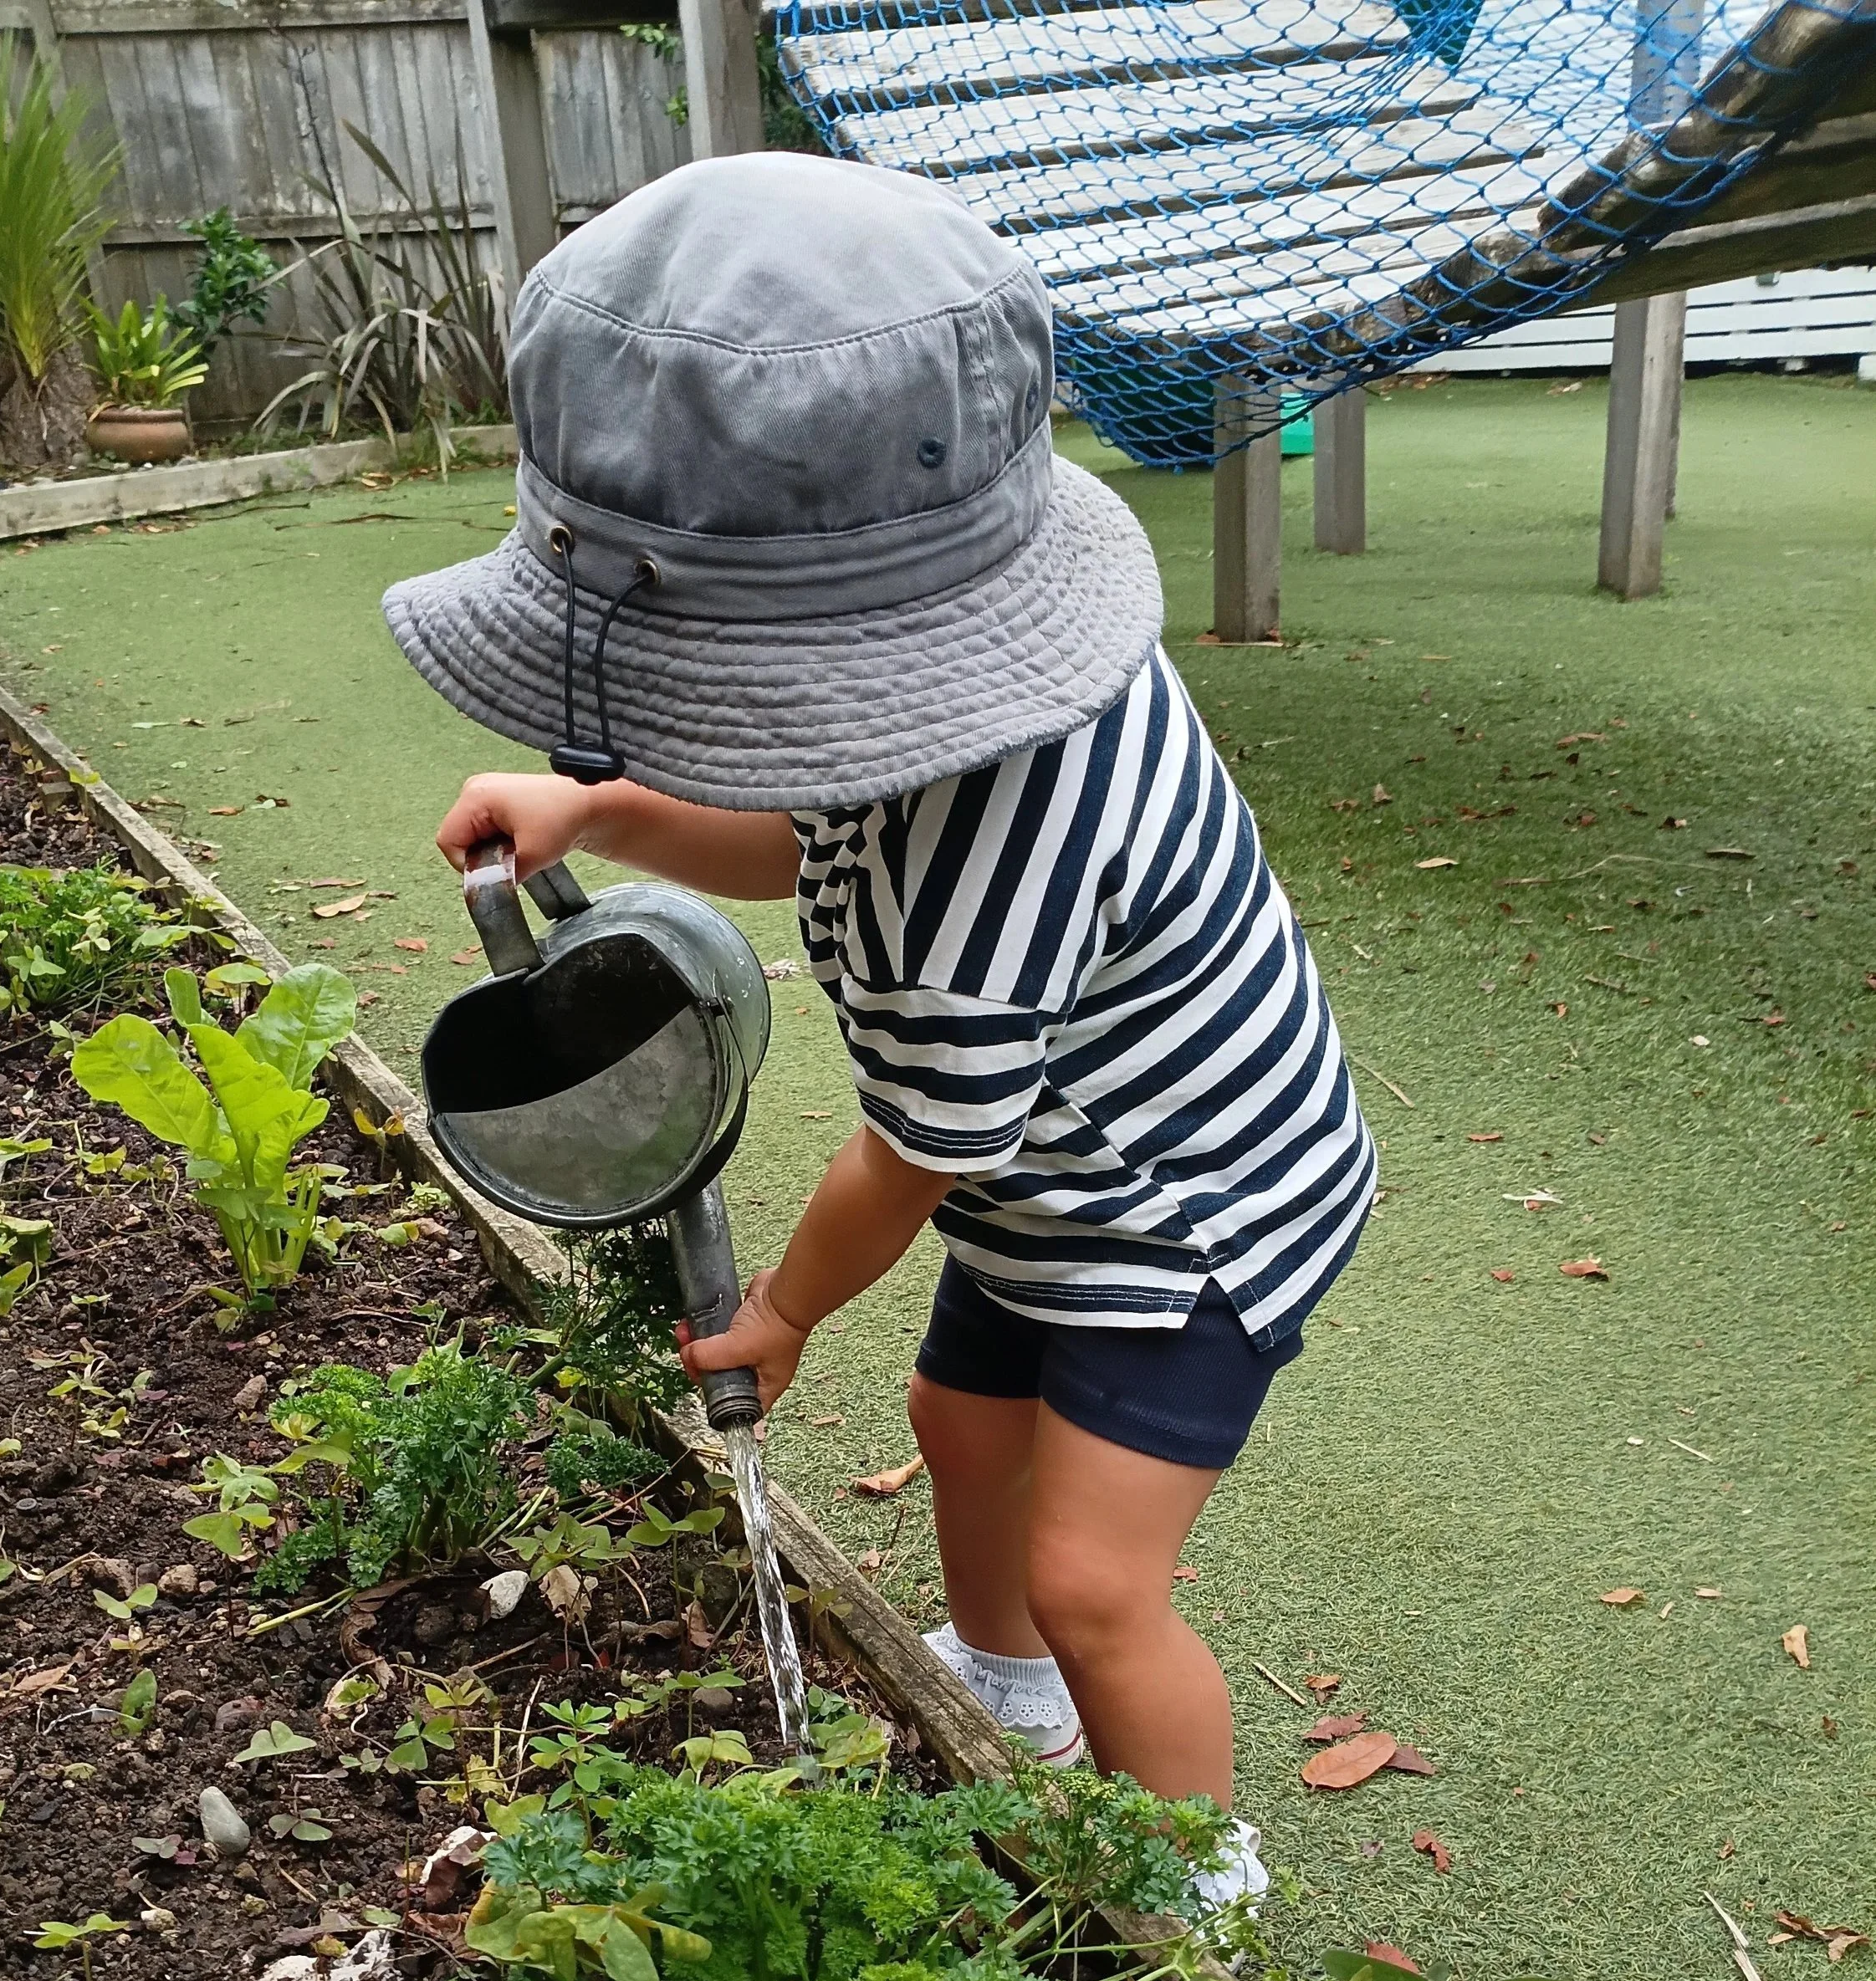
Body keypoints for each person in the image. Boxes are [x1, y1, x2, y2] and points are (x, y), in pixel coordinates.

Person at [386, 153, 1375, 1887]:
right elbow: (798, 833)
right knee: (956, 1424)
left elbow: (912, 1148)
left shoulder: (976, 887)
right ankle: (1006, 1696)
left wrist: (774, 1311)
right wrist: (600, 809)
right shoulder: (965, 700)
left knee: (1094, 1575)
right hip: (1047, 1180)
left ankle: (1183, 1883)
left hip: (1188, 1215)